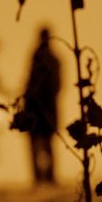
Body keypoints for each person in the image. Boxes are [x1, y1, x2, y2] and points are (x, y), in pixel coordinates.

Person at [24, 26, 61, 185]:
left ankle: (40, 177)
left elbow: (30, 83)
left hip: (36, 107)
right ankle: (48, 177)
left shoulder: (37, 57)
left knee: (37, 144)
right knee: (47, 144)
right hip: (49, 107)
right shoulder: (54, 59)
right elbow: (58, 85)